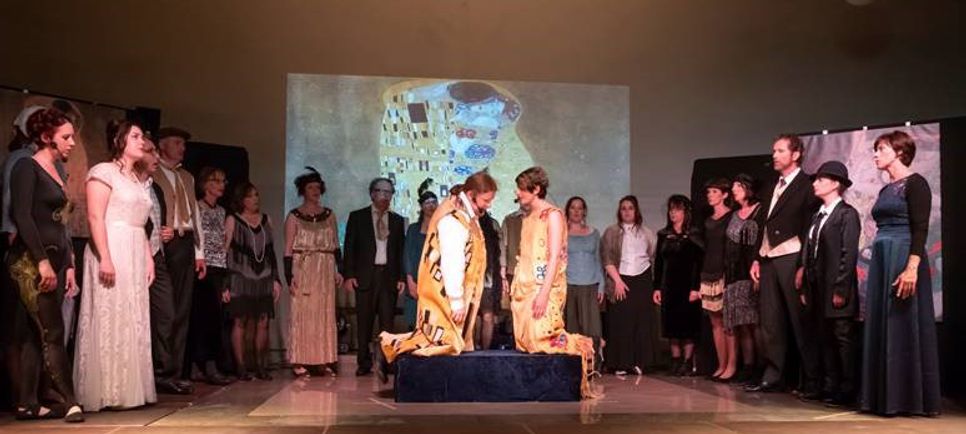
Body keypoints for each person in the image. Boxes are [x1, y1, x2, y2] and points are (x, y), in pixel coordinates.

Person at [376, 171, 497, 382]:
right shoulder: (453, 221)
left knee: (445, 341)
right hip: (444, 295)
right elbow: (452, 261)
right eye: (486, 200)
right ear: (471, 195)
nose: (489, 205)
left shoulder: (467, 219)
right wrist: (456, 300)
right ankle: (388, 348)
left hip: (456, 293)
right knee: (439, 340)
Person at [7, 108, 83, 422]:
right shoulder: (26, 166)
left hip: (56, 259)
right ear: (46, 137)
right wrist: (41, 262)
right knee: (53, 331)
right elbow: (23, 217)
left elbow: (61, 223)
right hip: (30, 262)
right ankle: (70, 401)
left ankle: (27, 403)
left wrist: (69, 263)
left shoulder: (56, 171)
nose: (72, 143)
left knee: (32, 333)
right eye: (66, 137)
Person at [74, 120, 156, 411]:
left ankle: (130, 388)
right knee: (111, 313)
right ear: (120, 140)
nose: (141, 141)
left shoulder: (136, 178)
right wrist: (105, 257)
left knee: (132, 315)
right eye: (135, 136)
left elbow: (141, 222)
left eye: (142, 136)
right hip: (112, 245)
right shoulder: (103, 172)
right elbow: (95, 217)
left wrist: (148, 256)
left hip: (134, 248)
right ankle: (108, 390)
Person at [860, 131, 940, 416]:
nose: (875, 154)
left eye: (881, 149)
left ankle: (907, 398)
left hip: (903, 254)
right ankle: (883, 397)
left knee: (903, 322)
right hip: (883, 257)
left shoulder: (916, 183)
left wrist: (911, 267)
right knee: (884, 322)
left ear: (900, 152)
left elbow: (920, 229)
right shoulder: (885, 189)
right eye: (875, 149)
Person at [510, 167, 596, 398]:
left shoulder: (553, 215)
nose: (517, 193)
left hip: (545, 288)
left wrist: (544, 294)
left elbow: (555, 256)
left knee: (544, 338)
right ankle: (535, 388)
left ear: (536, 189)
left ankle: (583, 348)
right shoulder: (528, 217)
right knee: (527, 342)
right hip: (526, 287)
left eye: (521, 188)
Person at [747, 134, 821, 397]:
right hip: (768, 258)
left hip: (791, 255)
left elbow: (808, 228)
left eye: (780, 151)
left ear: (795, 154)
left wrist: (803, 265)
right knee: (770, 321)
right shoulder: (771, 186)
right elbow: (762, 225)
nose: (774, 155)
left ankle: (811, 379)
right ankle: (774, 375)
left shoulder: (806, 185)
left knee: (799, 321)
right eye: (774, 151)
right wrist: (756, 257)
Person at [801, 161, 860, 407]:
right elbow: (810, 250)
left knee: (842, 337)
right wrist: (806, 284)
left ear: (835, 184)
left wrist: (841, 289)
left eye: (820, 180)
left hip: (836, 287)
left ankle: (847, 389)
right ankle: (829, 385)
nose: (815, 184)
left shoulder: (847, 214)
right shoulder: (818, 215)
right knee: (823, 337)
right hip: (818, 287)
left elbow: (848, 253)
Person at [152, 126, 206, 394]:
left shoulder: (187, 176)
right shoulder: (153, 171)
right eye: (176, 142)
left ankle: (175, 371)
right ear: (162, 145)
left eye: (183, 143)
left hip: (185, 241)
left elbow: (194, 213)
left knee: (182, 310)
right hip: (166, 241)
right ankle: (160, 370)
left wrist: (200, 253)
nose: (182, 147)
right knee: (166, 310)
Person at [342, 178, 406, 376]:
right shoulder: (358, 217)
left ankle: (388, 362)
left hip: (388, 276)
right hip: (365, 276)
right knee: (364, 321)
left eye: (389, 193)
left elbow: (400, 251)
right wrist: (349, 274)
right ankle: (364, 362)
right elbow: (350, 247)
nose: (385, 196)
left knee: (387, 323)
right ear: (372, 194)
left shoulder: (397, 220)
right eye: (381, 192)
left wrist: (401, 277)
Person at [284, 167, 343, 377]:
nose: (315, 191)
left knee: (323, 314)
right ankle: (300, 359)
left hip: (325, 267)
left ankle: (322, 358)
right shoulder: (294, 216)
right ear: (303, 190)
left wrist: (339, 270)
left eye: (318, 187)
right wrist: (289, 277)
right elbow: (288, 249)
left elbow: (336, 245)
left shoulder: (329, 215)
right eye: (310, 187)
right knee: (303, 313)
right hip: (304, 267)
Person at [223, 182, 282, 381]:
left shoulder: (266, 220)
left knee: (263, 321)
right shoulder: (233, 220)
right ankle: (241, 366)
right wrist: (225, 284)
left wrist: (276, 279)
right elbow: (225, 252)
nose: (255, 199)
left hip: (263, 277)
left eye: (256, 195)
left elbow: (271, 253)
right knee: (240, 320)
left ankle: (261, 366)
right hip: (240, 277)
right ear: (241, 200)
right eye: (250, 196)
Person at [185, 166, 232, 385]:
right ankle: (199, 365)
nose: (221, 185)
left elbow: (223, 241)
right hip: (203, 266)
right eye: (217, 181)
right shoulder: (197, 207)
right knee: (201, 317)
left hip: (219, 266)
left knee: (216, 319)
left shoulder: (221, 211)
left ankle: (211, 364)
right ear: (206, 184)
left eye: (223, 181)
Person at [601, 195, 658, 376]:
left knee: (641, 321)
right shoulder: (611, 232)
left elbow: (651, 256)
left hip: (642, 279)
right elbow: (607, 258)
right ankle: (621, 363)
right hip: (620, 277)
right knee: (621, 321)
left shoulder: (646, 232)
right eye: (623, 208)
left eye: (630, 208)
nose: (627, 211)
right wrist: (617, 281)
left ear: (636, 211)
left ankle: (640, 362)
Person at [652, 195, 703, 377]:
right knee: (671, 325)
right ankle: (675, 359)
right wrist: (657, 287)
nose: (673, 213)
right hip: (669, 286)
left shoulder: (694, 235)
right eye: (671, 209)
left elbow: (699, 263)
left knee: (688, 325)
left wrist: (696, 288)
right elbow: (659, 263)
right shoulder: (663, 234)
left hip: (688, 286)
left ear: (685, 212)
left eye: (677, 209)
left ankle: (687, 362)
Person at [723, 174, 763, 385]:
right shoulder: (734, 214)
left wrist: (759, 271)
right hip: (734, 276)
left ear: (748, 188)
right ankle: (748, 367)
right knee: (742, 325)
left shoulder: (760, 211)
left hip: (752, 275)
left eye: (737, 186)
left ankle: (761, 367)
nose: (734, 190)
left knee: (754, 323)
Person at [700, 178, 735, 381]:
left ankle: (731, 365)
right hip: (708, 272)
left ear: (725, 194)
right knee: (715, 322)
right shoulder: (708, 221)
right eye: (709, 192)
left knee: (727, 322)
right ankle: (721, 365)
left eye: (714, 191)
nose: (710, 195)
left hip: (724, 273)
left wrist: (728, 273)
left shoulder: (731, 217)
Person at [564, 196, 604, 372]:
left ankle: (593, 364)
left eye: (580, 208)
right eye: (573, 207)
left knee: (592, 328)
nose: (576, 211)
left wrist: (601, 285)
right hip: (569, 284)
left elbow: (598, 260)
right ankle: (573, 364)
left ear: (584, 212)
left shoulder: (594, 233)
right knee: (572, 327)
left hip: (590, 284)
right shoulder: (562, 233)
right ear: (568, 210)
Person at [402, 179, 438, 329]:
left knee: (433, 321)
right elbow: (407, 256)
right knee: (414, 320)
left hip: (435, 280)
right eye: (427, 203)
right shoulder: (413, 229)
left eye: (434, 202)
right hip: (416, 279)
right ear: (422, 207)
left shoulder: (442, 227)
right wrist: (410, 281)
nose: (431, 206)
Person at [477, 211, 503, 350]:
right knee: (472, 317)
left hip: (488, 278)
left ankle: (484, 351)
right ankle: (472, 347)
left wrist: (502, 273)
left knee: (488, 315)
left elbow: (500, 251)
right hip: (469, 280)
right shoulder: (464, 221)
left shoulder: (492, 224)